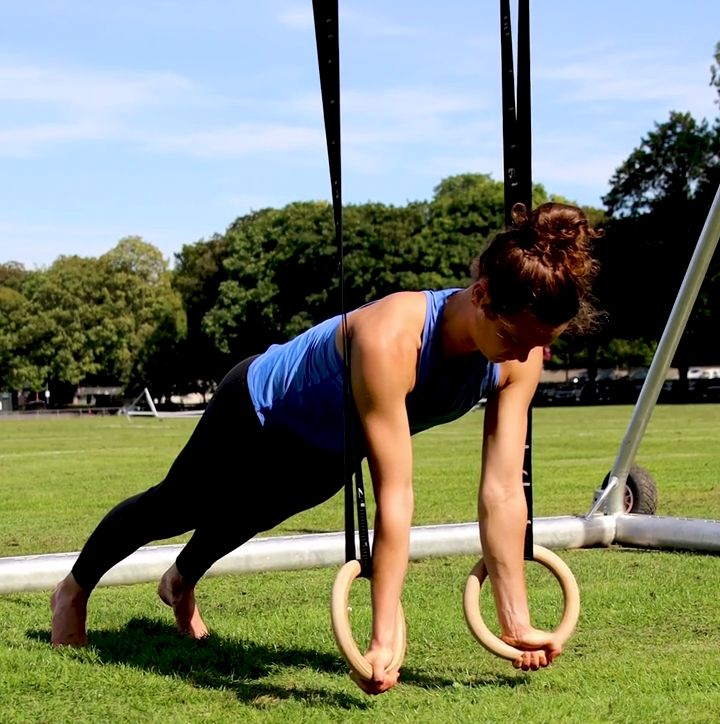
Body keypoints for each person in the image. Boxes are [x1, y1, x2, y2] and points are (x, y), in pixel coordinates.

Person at [51, 201, 601, 695]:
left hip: (331, 444)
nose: (527, 354)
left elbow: (503, 492)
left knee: (253, 515)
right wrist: (383, 637)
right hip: (261, 404)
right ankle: (73, 591)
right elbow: (396, 498)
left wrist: (516, 618)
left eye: (542, 343)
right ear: (481, 296)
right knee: (177, 505)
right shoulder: (392, 336)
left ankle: (180, 580)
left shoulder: (522, 356)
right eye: (515, 337)